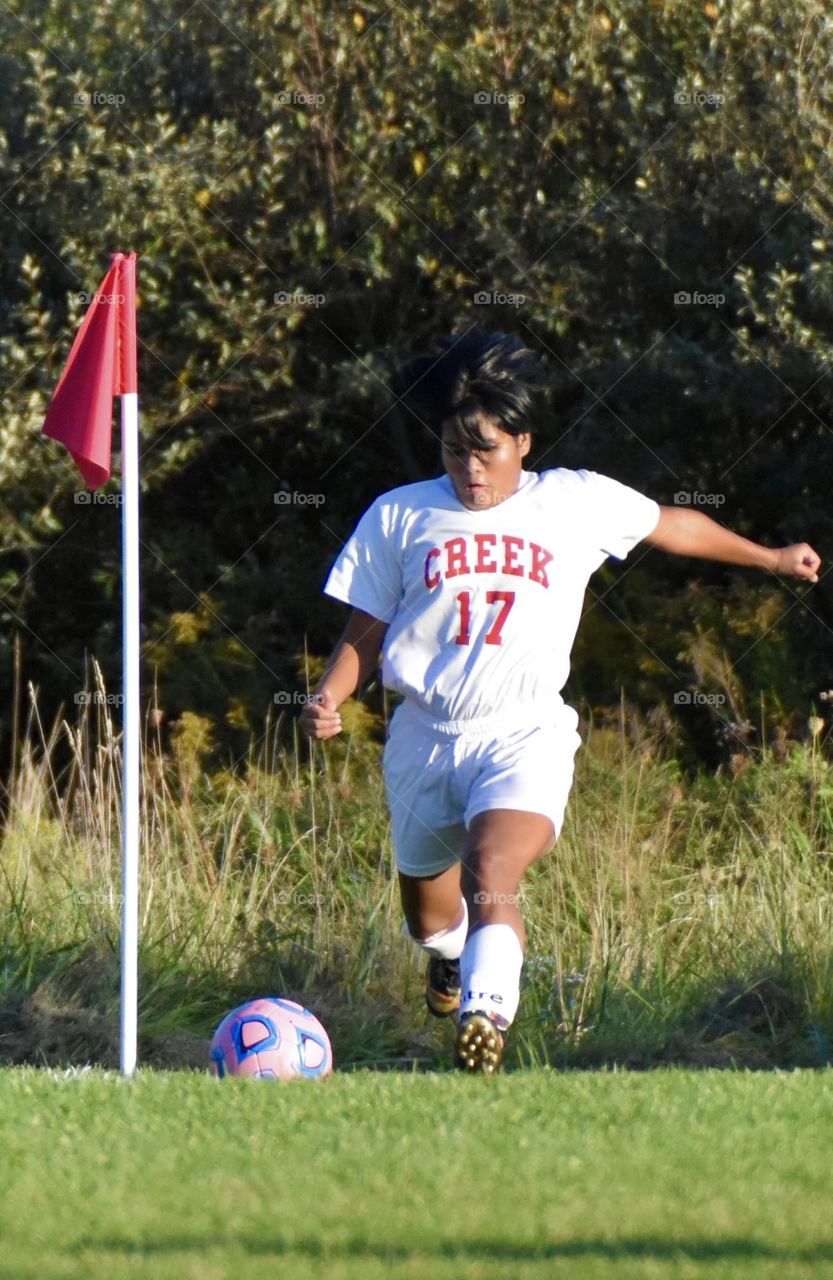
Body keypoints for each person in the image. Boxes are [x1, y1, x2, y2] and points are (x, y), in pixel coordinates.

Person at [300, 327, 821, 1073]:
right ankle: (451, 960)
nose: (469, 469)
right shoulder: (399, 515)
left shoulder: (573, 500)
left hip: (523, 733)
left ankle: (485, 1018)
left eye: (485, 451)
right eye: (452, 450)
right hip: (423, 735)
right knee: (429, 915)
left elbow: (672, 526)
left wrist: (769, 557)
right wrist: (329, 694)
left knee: (491, 872)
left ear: (522, 442)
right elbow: (365, 628)